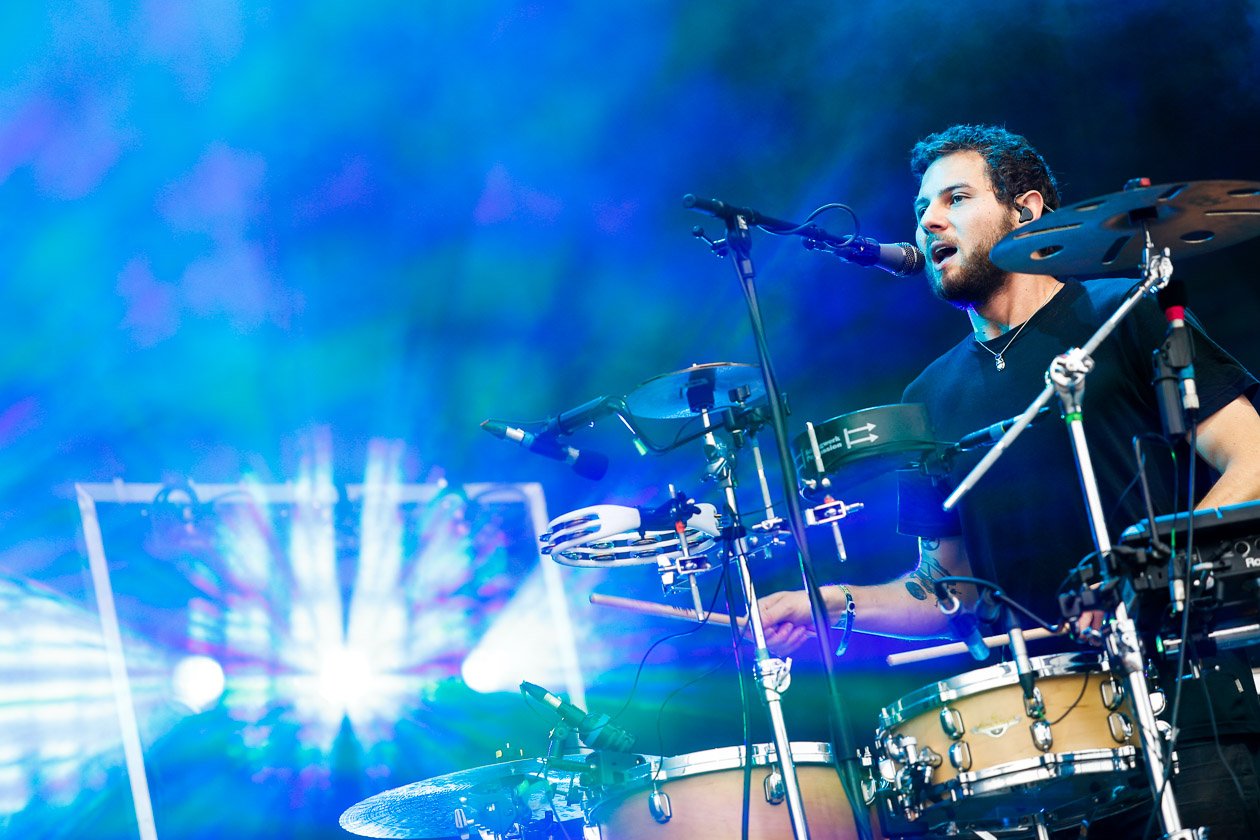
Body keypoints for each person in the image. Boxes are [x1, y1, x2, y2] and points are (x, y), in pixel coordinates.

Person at [758, 125, 1260, 838]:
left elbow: (1253, 458)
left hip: (1186, 697)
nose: (930, 220)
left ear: (1025, 213)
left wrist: (1152, 564)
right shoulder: (926, 398)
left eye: (956, 198)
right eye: (922, 208)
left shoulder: (1118, 312)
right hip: (1050, 744)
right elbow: (944, 590)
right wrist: (824, 604)